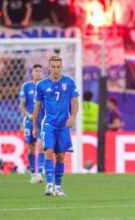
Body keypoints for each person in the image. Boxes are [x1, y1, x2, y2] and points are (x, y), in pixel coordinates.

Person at [33, 56, 79, 196]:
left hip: (63, 125)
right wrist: (34, 125)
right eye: (53, 67)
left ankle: (58, 188)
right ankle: (48, 185)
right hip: (49, 124)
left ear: (61, 67)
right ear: (49, 67)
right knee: (48, 151)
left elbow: (75, 102)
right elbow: (38, 106)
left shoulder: (69, 82)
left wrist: (72, 117)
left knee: (60, 156)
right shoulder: (41, 85)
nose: (55, 70)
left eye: (58, 67)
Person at [19, 64, 45, 183]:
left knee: (41, 147)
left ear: (43, 73)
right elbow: (22, 105)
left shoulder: (47, 86)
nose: (38, 72)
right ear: (32, 73)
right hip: (30, 121)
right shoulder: (26, 86)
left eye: (40, 70)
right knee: (31, 148)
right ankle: (33, 174)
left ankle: (39, 173)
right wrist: (28, 115)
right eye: (36, 70)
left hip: (43, 120)